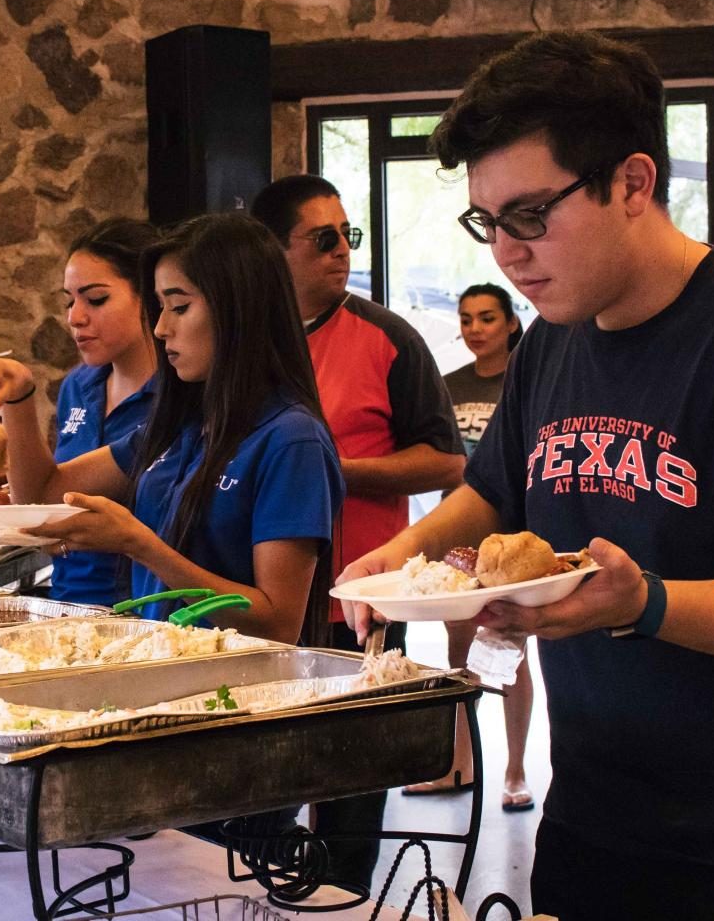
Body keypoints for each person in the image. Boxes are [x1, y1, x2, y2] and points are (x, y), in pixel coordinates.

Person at [341, 31, 714, 920]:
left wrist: (641, 604)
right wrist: (400, 556)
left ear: (632, 183)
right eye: (487, 222)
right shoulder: (554, 337)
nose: (505, 254)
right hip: (594, 814)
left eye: (530, 215)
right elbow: (495, 490)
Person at [0, 212, 343, 646]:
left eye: (179, 307)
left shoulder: (290, 438)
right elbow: (43, 495)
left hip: (233, 692)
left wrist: (139, 544)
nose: (162, 328)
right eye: (161, 307)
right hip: (160, 667)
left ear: (238, 309)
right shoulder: (189, 425)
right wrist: (19, 399)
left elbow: (279, 621)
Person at [251, 174, 464, 890]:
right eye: (323, 238)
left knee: (350, 779)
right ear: (273, 252)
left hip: (358, 598)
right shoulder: (243, 345)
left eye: (349, 235)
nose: (342, 250)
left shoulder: (385, 337)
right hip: (262, 601)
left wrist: (329, 469)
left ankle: (344, 899)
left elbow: (444, 458)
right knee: (262, 772)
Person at [403, 283, 535, 811]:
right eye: (466, 318)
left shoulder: (526, 378)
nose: (475, 328)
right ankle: (460, 763)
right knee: (460, 654)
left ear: (509, 323)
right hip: (459, 537)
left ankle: (517, 771)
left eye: (486, 318)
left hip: (513, 537)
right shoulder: (449, 385)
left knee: (512, 649)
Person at [44, 217, 161, 606]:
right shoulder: (79, 386)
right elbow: (51, 497)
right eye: (69, 300)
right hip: (67, 602)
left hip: (144, 611)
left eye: (95, 300)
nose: (75, 317)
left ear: (150, 297)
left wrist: (18, 402)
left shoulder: (178, 398)